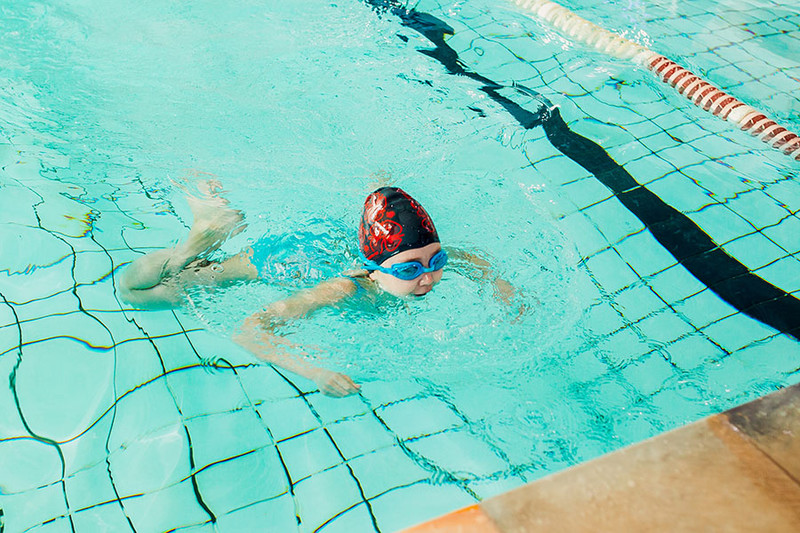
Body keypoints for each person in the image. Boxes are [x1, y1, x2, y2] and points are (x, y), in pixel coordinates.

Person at [120, 180, 521, 397]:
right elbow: (250, 329)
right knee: (137, 294)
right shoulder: (342, 290)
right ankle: (197, 240)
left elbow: (474, 259)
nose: (428, 276)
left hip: (335, 243)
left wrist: (504, 289)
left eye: (435, 260)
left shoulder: (416, 259)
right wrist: (316, 372)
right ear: (373, 272)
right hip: (287, 260)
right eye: (411, 269)